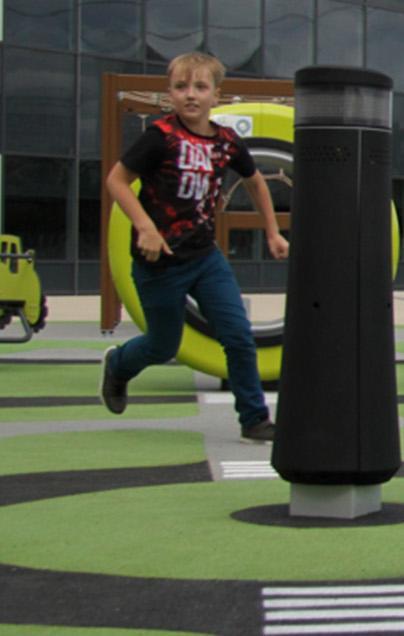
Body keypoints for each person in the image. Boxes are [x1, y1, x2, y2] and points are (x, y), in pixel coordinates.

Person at [100, 51, 289, 441]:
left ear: (215, 96)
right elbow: (116, 182)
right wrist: (145, 227)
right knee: (162, 344)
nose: (191, 95)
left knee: (238, 335)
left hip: (205, 258)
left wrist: (272, 231)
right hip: (159, 263)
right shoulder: (159, 137)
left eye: (200, 87)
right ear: (169, 93)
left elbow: (255, 181)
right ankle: (118, 365)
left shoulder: (226, 141)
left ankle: (254, 418)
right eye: (181, 86)